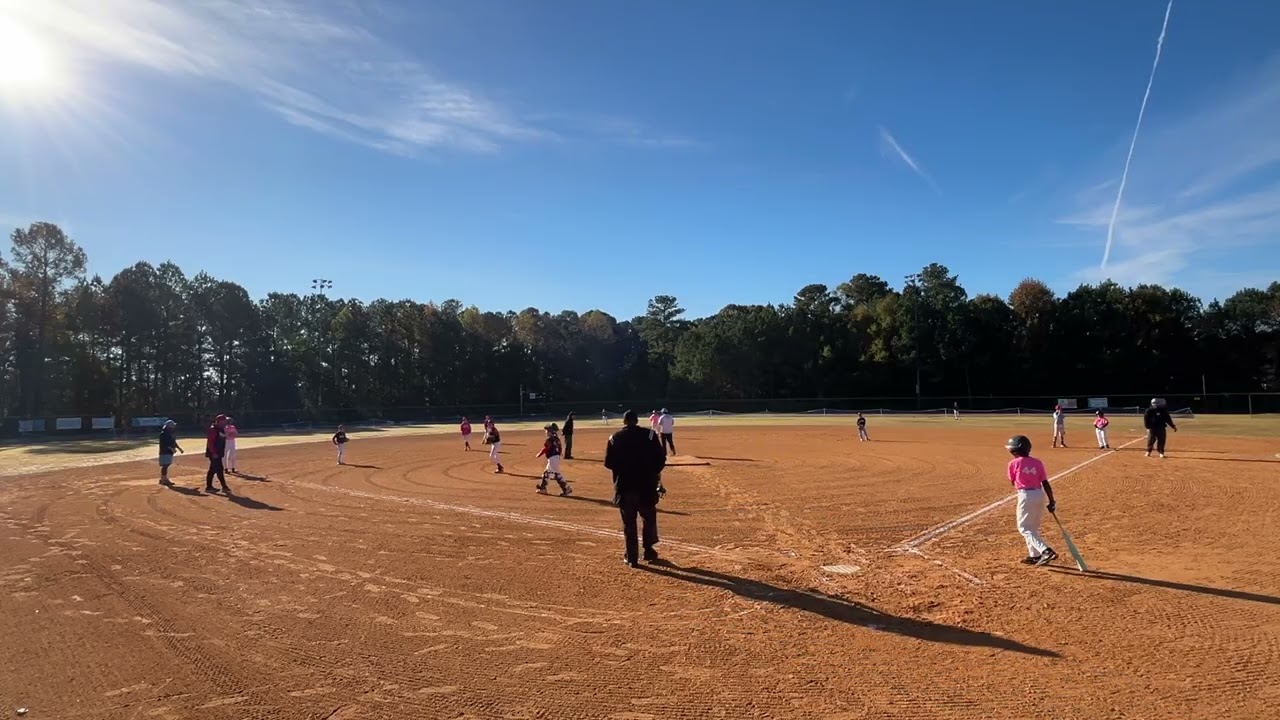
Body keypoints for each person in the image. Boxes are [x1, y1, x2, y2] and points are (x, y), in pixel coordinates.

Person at [605, 410, 667, 568]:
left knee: (629, 523)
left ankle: (632, 557)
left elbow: (609, 463)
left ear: (624, 421)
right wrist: (653, 474)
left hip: (625, 486)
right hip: (646, 485)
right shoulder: (650, 435)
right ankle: (649, 550)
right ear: (637, 420)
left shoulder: (614, 438)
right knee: (649, 518)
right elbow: (660, 459)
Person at [1005, 435, 1058, 566]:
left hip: (1025, 495)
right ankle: (1035, 555)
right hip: (1040, 494)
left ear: (1014, 450)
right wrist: (1052, 501)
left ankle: (1045, 550)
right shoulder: (1037, 462)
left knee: (1024, 528)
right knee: (1032, 527)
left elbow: (1012, 481)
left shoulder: (1013, 463)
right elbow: (1045, 483)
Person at [535, 423, 571, 496]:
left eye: (547, 431)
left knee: (557, 475)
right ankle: (543, 488)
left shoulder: (549, 439)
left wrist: (539, 454)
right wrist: (559, 455)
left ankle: (566, 488)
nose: (546, 432)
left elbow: (546, 448)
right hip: (555, 458)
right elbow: (560, 449)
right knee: (546, 473)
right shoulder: (557, 439)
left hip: (552, 458)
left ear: (551, 431)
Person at [205, 414, 232, 494]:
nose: (226, 422)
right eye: (224, 421)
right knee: (219, 469)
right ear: (220, 421)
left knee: (213, 469)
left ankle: (209, 487)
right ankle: (224, 487)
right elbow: (210, 443)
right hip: (214, 453)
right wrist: (214, 453)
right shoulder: (213, 430)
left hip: (218, 452)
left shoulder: (221, 429)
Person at [158, 419, 183, 485]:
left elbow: (173, 442)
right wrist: (171, 448)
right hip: (165, 452)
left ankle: (163, 478)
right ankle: (164, 479)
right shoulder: (163, 434)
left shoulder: (170, 433)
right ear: (169, 426)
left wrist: (179, 448)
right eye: (172, 426)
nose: (174, 427)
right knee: (165, 465)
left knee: (167, 465)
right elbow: (165, 444)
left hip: (169, 452)